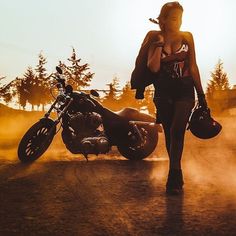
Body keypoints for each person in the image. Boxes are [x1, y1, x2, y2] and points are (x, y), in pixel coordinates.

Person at [146, 1, 207, 195]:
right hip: (163, 91)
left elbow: (193, 66)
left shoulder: (187, 37)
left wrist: (202, 94)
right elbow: (153, 67)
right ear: (163, 19)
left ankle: (174, 173)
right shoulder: (154, 38)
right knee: (169, 132)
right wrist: (157, 46)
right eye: (173, 18)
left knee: (177, 129)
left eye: (180, 17)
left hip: (185, 90)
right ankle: (175, 170)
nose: (178, 22)